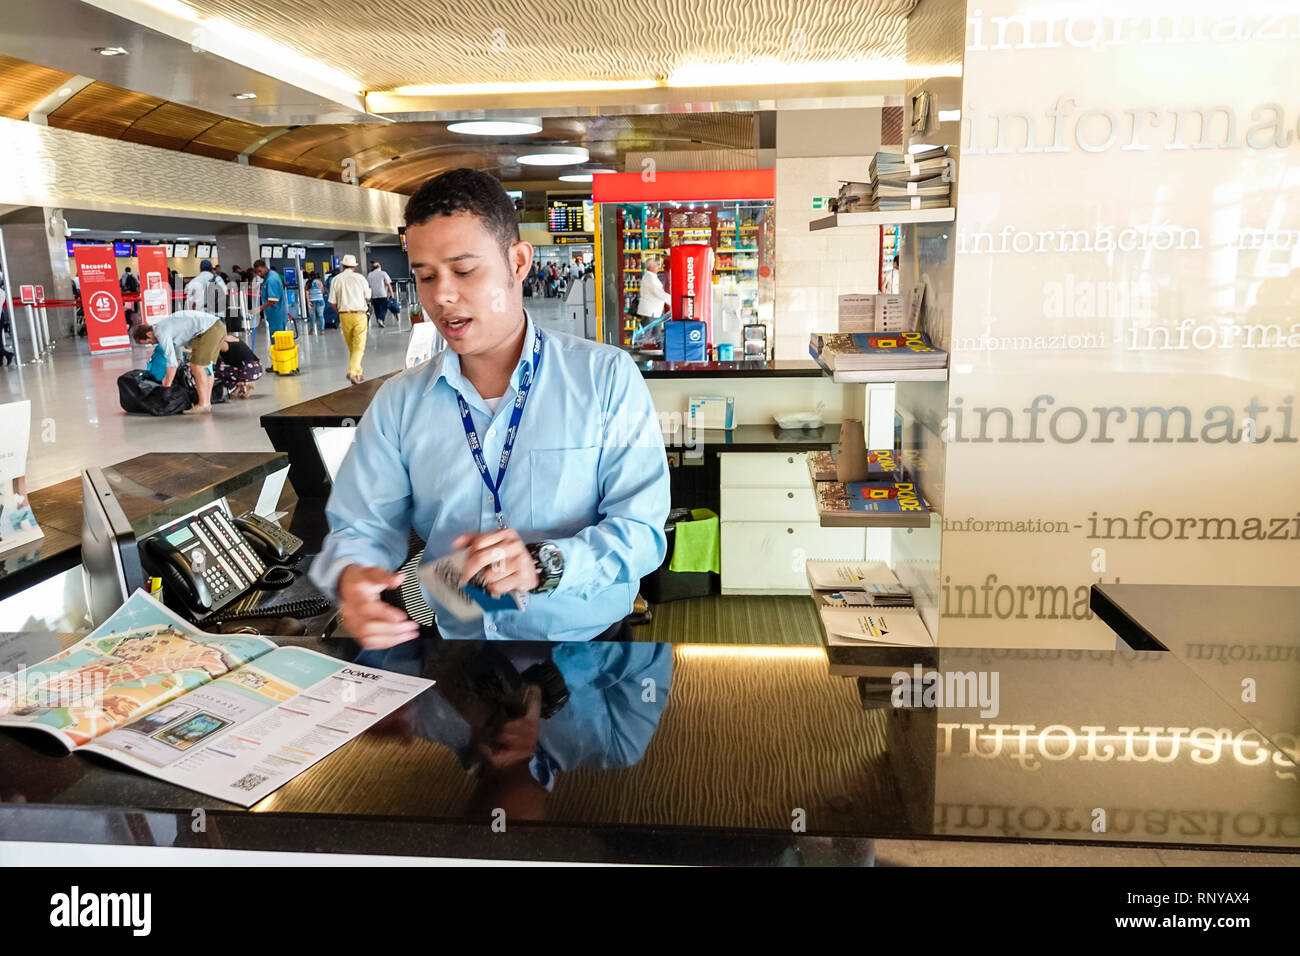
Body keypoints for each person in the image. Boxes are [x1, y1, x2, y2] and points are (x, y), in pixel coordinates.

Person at [310, 167, 670, 647]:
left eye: (463, 270)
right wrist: (353, 577)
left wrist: (545, 563)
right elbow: (361, 525)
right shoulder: (400, 402)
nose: (442, 296)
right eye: (425, 276)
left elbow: (642, 530)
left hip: (587, 651)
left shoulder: (604, 378)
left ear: (518, 262)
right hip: (457, 657)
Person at [130, 309, 227, 413]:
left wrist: (166, 387)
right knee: (206, 367)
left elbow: (171, 362)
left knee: (197, 366)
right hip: (217, 326)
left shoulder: (160, 331)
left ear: (149, 334)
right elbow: (177, 358)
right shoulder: (166, 327)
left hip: (209, 330)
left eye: (149, 342)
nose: (152, 344)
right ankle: (206, 403)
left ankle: (203, 405)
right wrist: (166, 378)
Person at [328, 254, 370, 384]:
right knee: (359, 345)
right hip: (359, 314)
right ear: (354, 266)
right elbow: (368, 296)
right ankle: (352, 371)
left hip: (344, 315)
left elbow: (332, 303)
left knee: (351, 345)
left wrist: (341, 312)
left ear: (343, 265)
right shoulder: (360, 278)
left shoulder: (336, 279)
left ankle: (358, 372)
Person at [250, 259, 288, 345]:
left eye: (260, 271)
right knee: (277, 340)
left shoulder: (271, 279)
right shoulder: (269, 276)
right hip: (274, 314)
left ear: (265, 267)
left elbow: (273, 300)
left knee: (277, 342)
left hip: (276, 315)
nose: (259, 274)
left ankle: (279, 358)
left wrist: (259, 308)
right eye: (257, 272)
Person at [214, 334, 263, 399]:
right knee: (226, 370)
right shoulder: (230, 338)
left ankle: (240, 384)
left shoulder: (220, 342)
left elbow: (212, 355)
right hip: (257, 369)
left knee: (213, 372)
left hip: (247, 370)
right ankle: (243, 384)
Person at [635, 256, 671, 324]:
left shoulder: (652, 276)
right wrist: (673, 301)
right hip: (649, 313)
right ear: (651, 267)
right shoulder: (650, 279)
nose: (658, 265)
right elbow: (659, 293)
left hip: (652, 312)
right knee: (649, 334)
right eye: (656, 264)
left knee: (655, 334)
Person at [367, 260, 393, 329]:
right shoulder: (383, 273)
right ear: (379, 267)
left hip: (374, 294)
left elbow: (368, 286)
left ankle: (379, 321)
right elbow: (388, 284)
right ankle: (381, 319)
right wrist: (392, 294)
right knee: (384, 307)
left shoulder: (370, 274)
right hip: (382, 293)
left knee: (376, 309)